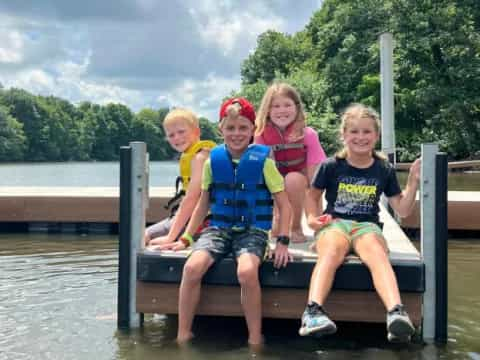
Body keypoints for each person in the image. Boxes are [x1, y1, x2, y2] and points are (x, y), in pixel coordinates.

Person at [159, 97, 292, 345]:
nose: (237, 133)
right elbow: (203, 204)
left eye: (243, 127)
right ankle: (183, 334)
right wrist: (186, 238)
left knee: (247, 271)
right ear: (221, 129)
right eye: (230, 128)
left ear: (253, 129)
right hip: (218, 228)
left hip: (253, 231)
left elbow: (285, 206)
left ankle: (254, 337)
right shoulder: (212, 162)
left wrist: (282, 241)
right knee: (191, 267)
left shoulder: (264, 163)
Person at [299, 103, 421, 342]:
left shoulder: (383, 169)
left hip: (367, 226)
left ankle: (396, 312)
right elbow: (311, 196)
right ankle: (312, 311)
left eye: (367, 132)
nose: (360, 137)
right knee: (332, 251)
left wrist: (413, 183)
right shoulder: (332, 165)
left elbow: (402, 209)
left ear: (376, 136)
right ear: (344, 135)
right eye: (354, 132)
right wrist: (313, 220)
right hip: (336, 224)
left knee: (377, 252)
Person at [254, 82, 327, 243]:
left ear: (297, 107)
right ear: (267, 110)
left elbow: (316, 181)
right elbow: (261, 174)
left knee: (292, 179)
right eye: (276, 106)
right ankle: (279, 220)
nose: (282, 110)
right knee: (274, 230)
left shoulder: (308, 134)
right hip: (275, 184)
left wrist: (318, 220)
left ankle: (295, 227)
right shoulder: (260, 136)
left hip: (300, 182)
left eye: (287, 105)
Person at [144, 108, 215, 247]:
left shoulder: (200, 157)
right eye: (171, 135)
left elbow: (192, 198)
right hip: (188, 218)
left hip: (202, 220)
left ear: (197, 132)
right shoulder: (193, 154)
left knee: (144, 238)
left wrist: (170, 237)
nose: (176, 138)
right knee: (142, 235)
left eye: (181, 132)